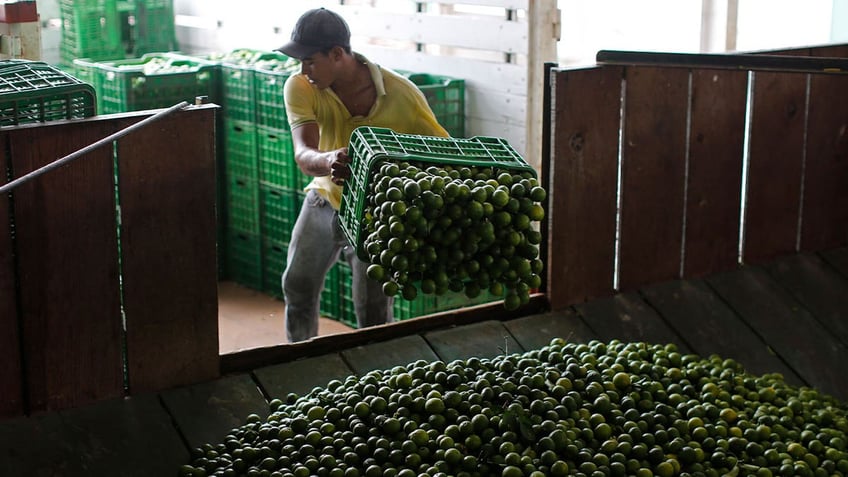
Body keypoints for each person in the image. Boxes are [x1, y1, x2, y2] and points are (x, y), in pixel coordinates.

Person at [275, 7, 449, 342]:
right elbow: (303, 153)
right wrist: (328, 160)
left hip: (377, 216)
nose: (303, 69)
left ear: (337, 54)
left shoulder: (403, 95)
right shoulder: (301, 86)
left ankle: (375, 378)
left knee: (372, 311)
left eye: (310, 60)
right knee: (297, 286)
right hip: (324, 200)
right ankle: (297, 358)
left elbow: (439, 154)